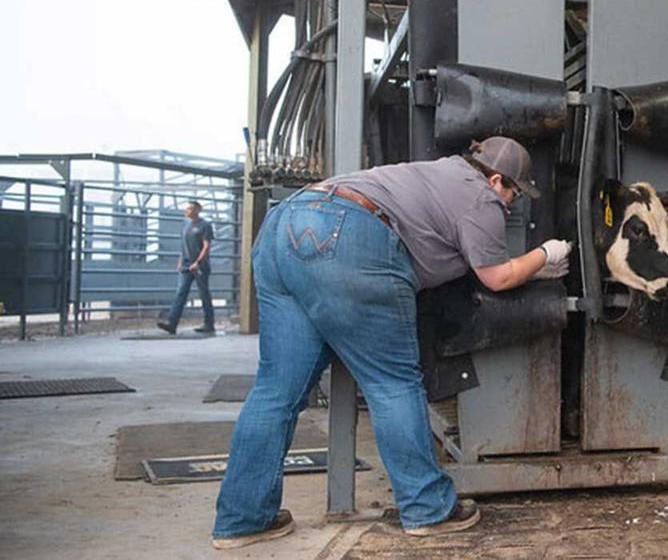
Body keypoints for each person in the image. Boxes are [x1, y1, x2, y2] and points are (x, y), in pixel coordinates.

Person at [211, 136, 573, 549]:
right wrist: (545, 255)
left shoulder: (437, 172)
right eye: (514, 191)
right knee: (393, 383)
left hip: (284, 225)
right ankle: (427, 508)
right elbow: (496, 276)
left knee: (276, 390)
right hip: (351, 235)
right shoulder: (481, 199)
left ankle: (242, 520)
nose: (511, 203)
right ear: (495, 179)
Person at [158, 200, 215, 334]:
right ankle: (172, 323)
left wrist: (198, 262)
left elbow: (206, 246)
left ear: (197, 210)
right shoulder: (186, 226)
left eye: (189, 209)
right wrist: (180, 261)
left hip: (200, 266)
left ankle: (209, 324)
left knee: (204, 294)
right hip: (186, 265)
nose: (186, 211)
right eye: (187, 209)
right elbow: (184, 246)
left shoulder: (205, 225)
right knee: (181, 293)